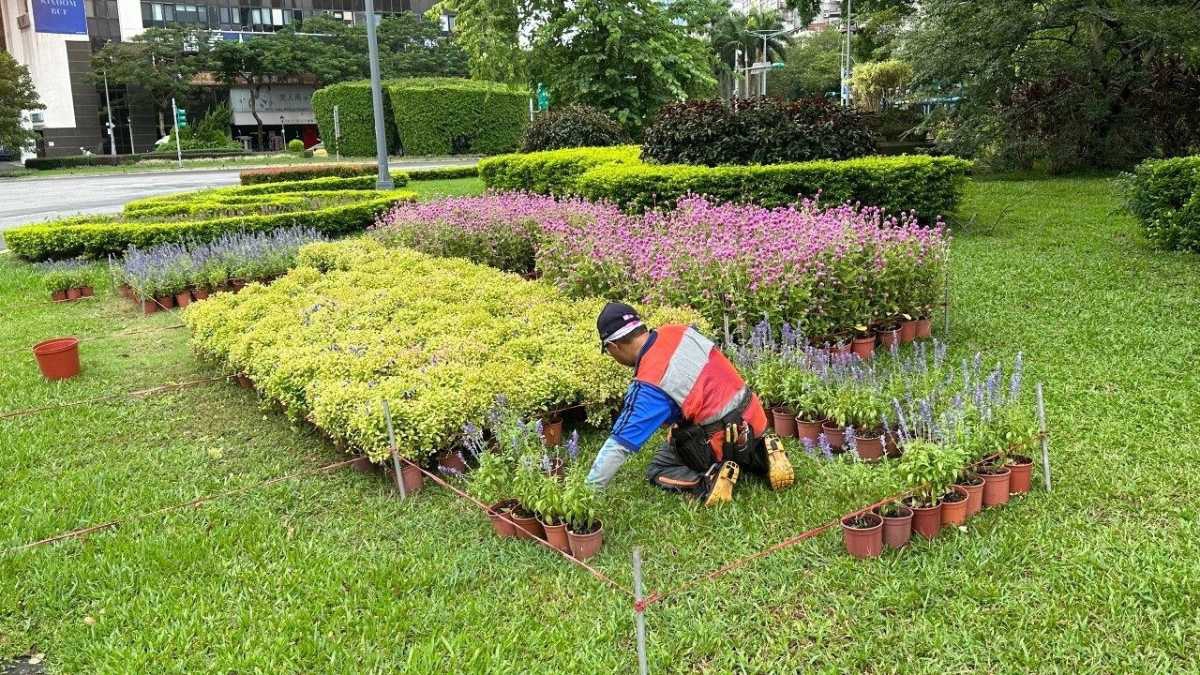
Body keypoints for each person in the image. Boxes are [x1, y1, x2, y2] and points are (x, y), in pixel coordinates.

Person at [586, 302, 794, 505]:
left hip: (720, 440)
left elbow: (619, 444)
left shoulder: (650, 384)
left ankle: (708, 480)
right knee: (711, 431)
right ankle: (762, 454)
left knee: (658, 467)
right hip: (753, 420)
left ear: (614, 346)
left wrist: (587, 492)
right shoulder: (678, 331)